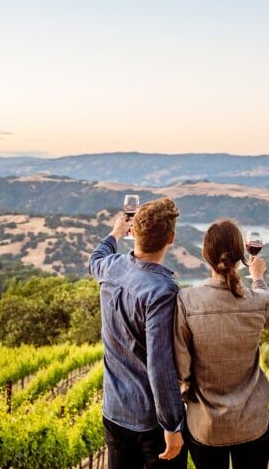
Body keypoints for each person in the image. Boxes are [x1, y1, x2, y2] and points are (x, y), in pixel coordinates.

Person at [89, 197, 186, 469]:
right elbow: (160, 364)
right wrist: (172, 424)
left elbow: (94, 258)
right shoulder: (162, 291)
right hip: (150, 421)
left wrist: (115, 233)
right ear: (171, 238)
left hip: (114, 410)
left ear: (134, 233)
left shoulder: (111, 267)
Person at [173, 219, 269, 469]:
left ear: (205, 255)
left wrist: (193, 401)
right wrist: (258, 278)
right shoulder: (258, 300)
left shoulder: (187, 301)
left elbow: (181, 369)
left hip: (205, 426)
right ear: (241, 255)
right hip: (253, 422)